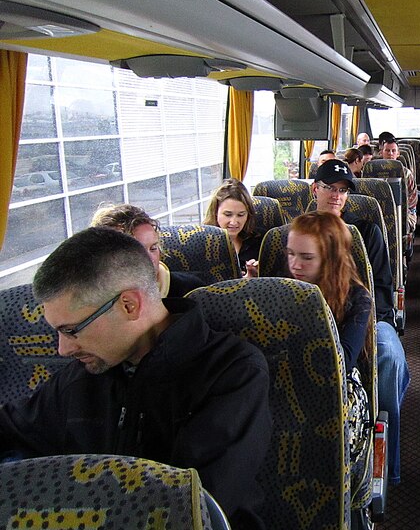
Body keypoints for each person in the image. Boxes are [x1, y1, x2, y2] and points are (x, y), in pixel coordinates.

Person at [0, 227, 271, 530]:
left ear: (129, 305)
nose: (63, 349)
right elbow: (13, 429)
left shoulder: (231, 373)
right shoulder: (82, 377)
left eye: (71, 330)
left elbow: (193, 507)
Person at [311, 159, 409, 483]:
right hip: (311, 322)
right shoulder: (296, 234)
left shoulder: (366, 231)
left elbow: (380, 290)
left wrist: (372, 323)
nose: (336, 196)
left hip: (367, 318)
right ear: (315, 190)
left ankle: (386, 469)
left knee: (389, 357)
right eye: (330, 188)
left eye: (342, 191)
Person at [286, 211, 373, 524]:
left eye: (307, 258)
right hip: (283, 381)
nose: (295, 265)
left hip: (338, 388)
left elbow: (342, 360)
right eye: (290, 254)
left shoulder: (356, 298)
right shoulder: (278, 291)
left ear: (331, 258)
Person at [90, 203, 205, 297]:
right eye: (135, 252)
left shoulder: (191, 290)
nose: (149, 260)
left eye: (153, 248)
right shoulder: (89, 298)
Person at [204, 178, 263, 276]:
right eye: (228, 214)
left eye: (241, 215)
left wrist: (254, 276)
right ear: (215, 213)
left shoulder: (260, 241)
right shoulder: (202, 243)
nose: (234, 222)